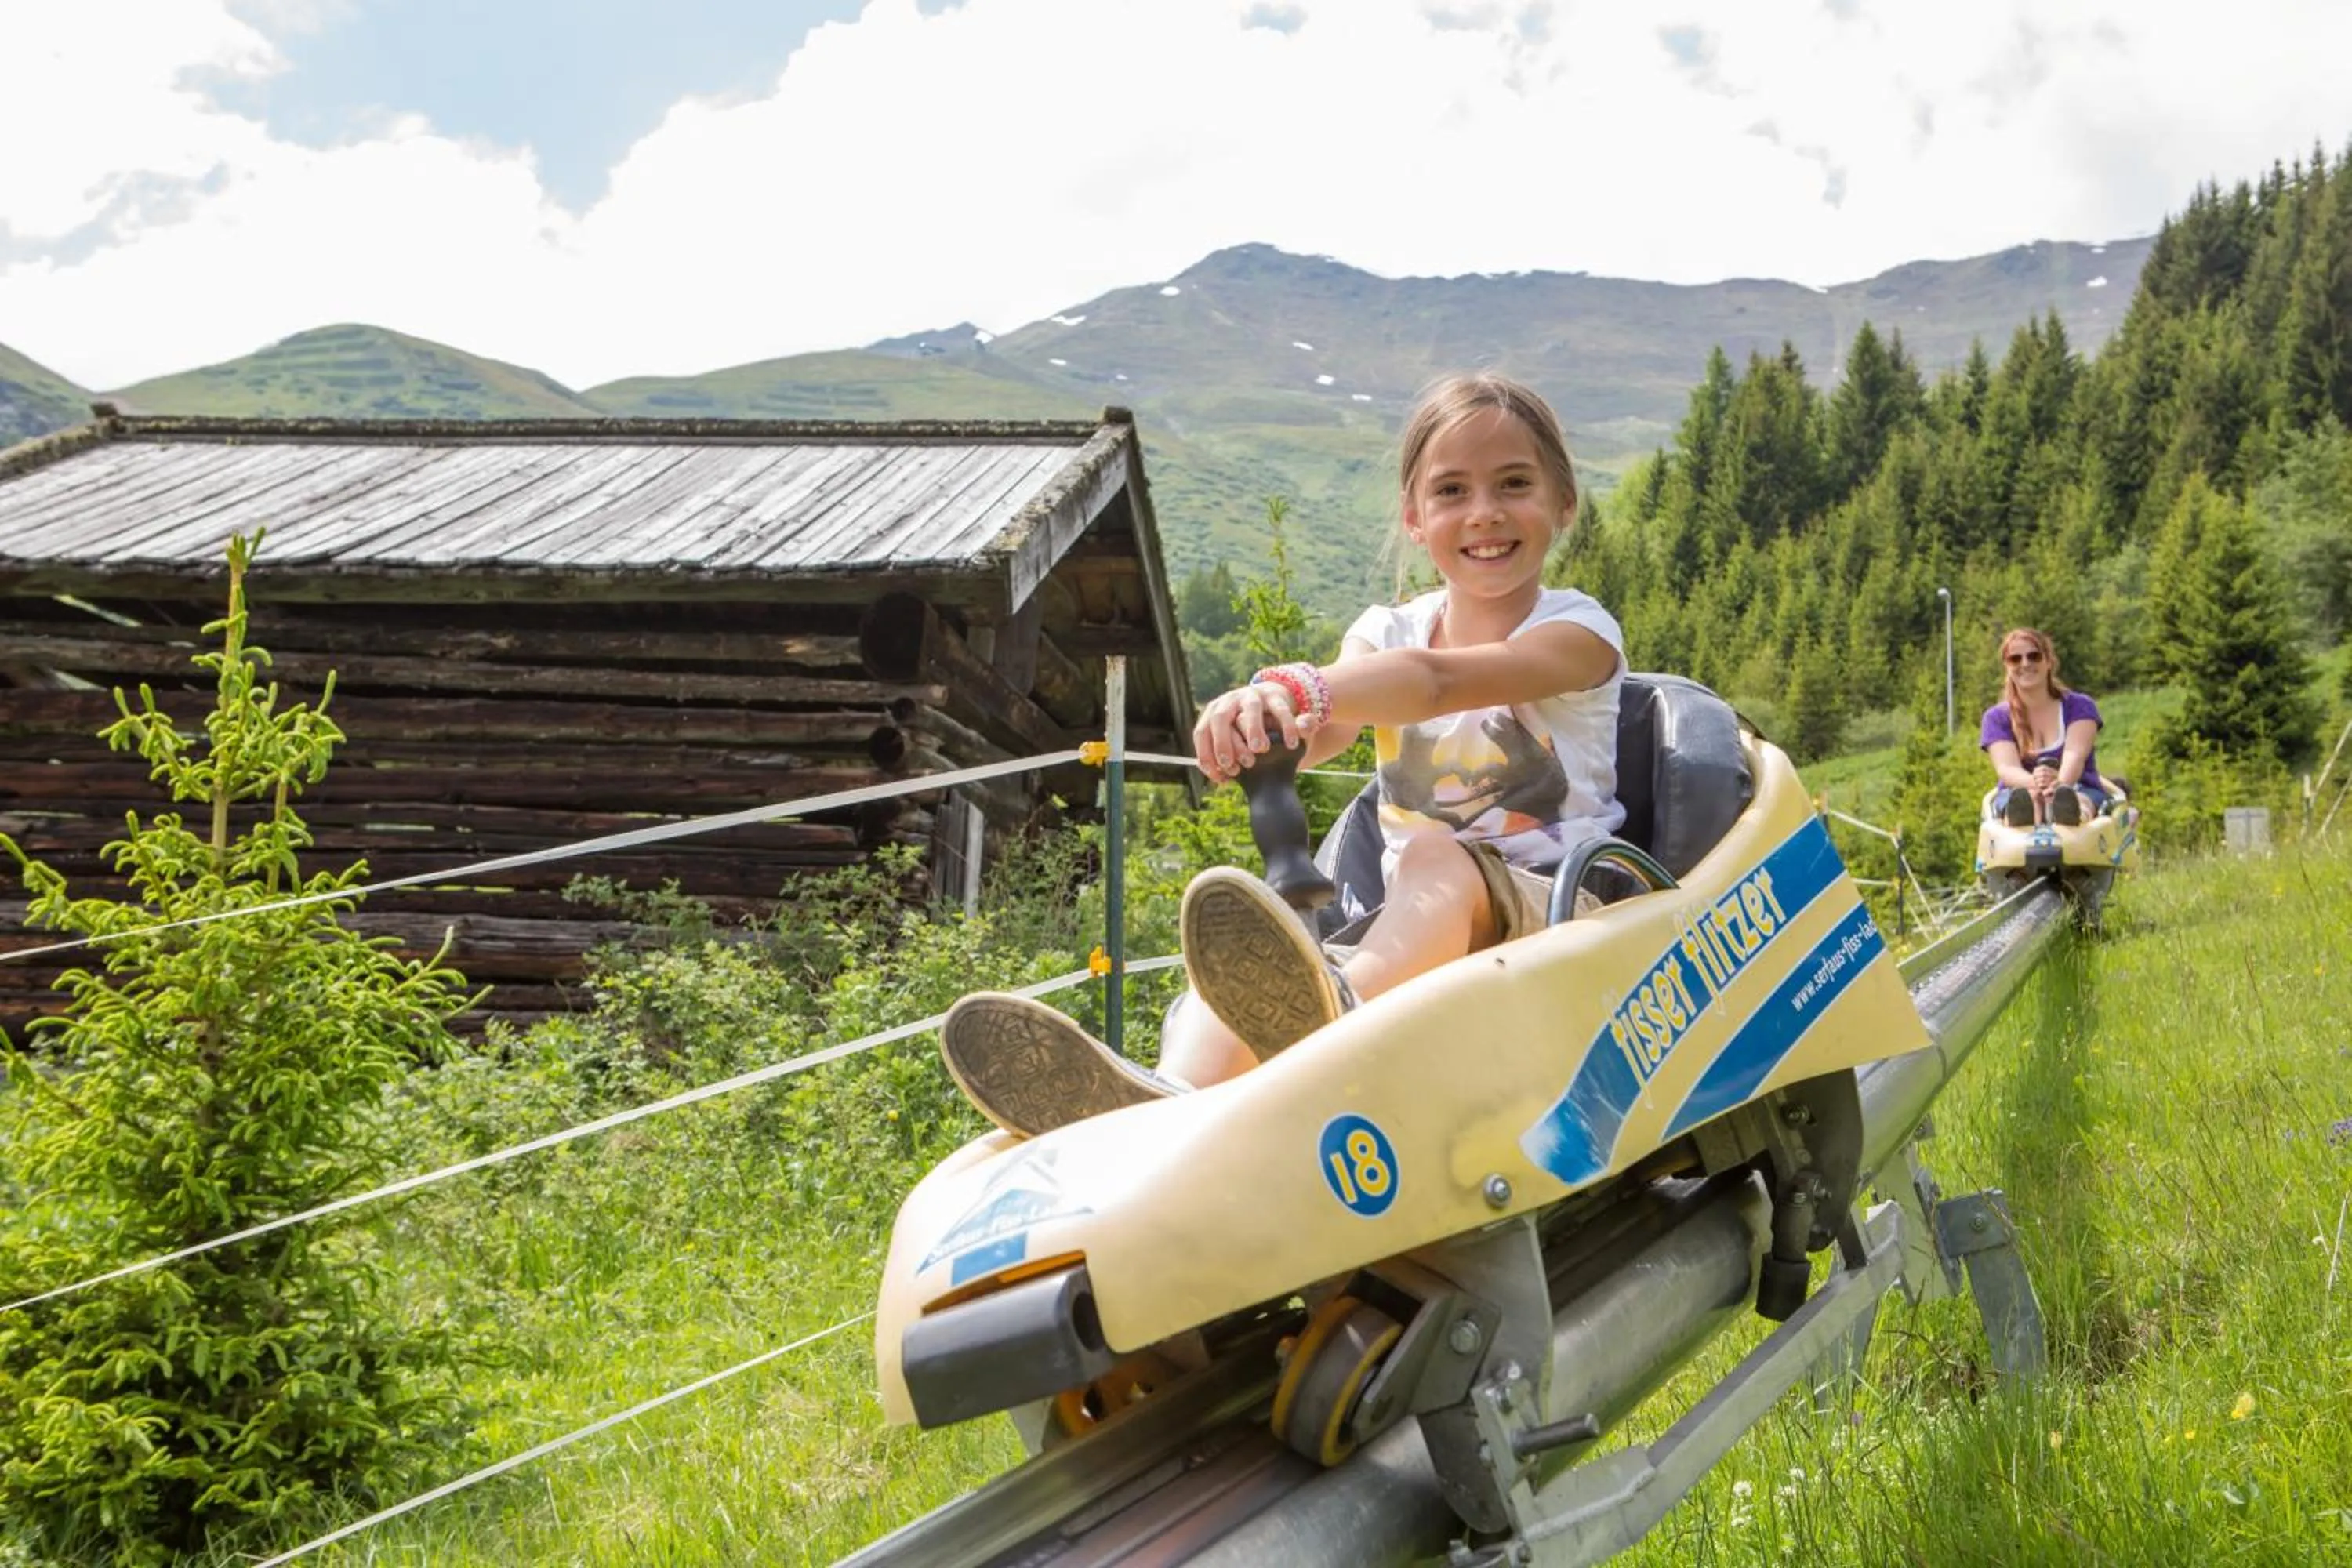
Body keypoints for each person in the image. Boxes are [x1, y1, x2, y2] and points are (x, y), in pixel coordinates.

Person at [938, 373, 1625, 1138]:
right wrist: (1260, 716)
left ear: (1564, 502)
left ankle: (1335, 1025)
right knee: (1249, 955)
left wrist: (1304, 686)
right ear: (1414, 517)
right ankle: (1169, 1100)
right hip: (1409, 930)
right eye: (1452, 491)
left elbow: (1434, 683)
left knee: (1435, 855)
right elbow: (1324, 727)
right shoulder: (1387, 630)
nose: (1485, 512)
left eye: (1514, 484)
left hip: (1557, 918)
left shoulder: (1579, 633)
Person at [1980, 626, 2108, 828]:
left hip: (2078, 787)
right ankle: (2022, 821)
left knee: (2077, 800)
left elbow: (2075, 755)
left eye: (2034, 656)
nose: (2025, 664)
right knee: (2026, 800)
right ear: (2007, 666)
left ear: (2049, 662)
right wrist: (2037, 783)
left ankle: (2071, 815)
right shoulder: (1997, 718)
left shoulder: (2079, 707)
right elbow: (2007, 768)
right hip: (2019, 791)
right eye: (2016, 659)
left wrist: (2060, 784)